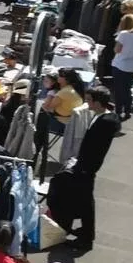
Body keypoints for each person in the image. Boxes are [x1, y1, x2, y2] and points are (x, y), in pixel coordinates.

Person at [48, 85, 118, 250]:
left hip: (86, 167)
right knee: (84, 202)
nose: (87, 104)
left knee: (84, 203)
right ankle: (84, 232)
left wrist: (82, 166)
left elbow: (94, 148)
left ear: (98, 102)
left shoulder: (104, 123)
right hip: (85, 166)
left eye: (89, 100)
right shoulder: (106, 117)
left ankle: (86, 236)